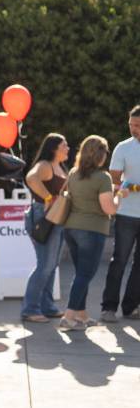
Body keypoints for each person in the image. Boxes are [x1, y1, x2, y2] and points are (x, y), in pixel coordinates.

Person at [59, 136, 118, 329]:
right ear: (100, 155)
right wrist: (120, 197)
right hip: (92, 231)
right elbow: (109, 209)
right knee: (85, 275)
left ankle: (82, 315)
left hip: (71, 228)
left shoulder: (73, 173)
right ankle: (68, 317)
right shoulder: (103, 178)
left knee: (80, 274)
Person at [21, 133, 70, 322]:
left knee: (51, 265)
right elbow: (31, 178)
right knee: (45, 265)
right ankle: (30, 309)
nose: (67, 148)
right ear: (53, 149)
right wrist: (48, 198)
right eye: (64, 145)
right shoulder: (45, 165)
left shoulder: (58, 166)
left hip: (55, 217)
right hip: (44, 216)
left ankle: (47, 306)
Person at [100, 105, 140, 322]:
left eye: (138, 126)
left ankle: (131, 306)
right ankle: (108, 307)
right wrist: (133, 187)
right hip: (126, 214)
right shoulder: (123, 148)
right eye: (131, 125)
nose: (134, 129)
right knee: (120, 260)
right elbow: (113, 180)